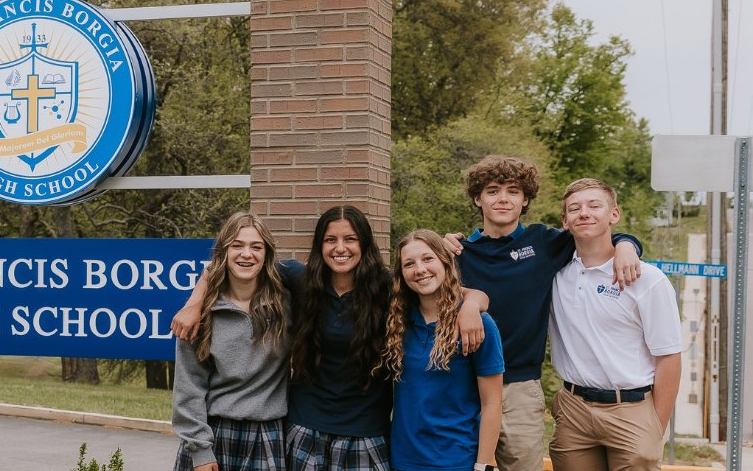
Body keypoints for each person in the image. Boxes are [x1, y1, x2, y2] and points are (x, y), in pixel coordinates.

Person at [445, 156, 643, 471]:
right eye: (493, 191)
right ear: (477, 198)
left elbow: (595, 236)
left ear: (525, 200)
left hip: (519, 389)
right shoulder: (455, 252)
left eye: (513, 191)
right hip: (461, 384)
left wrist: (627, 246)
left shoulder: (543, 242)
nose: (503, 198)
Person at [173, 206, 404, 469]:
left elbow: (430, 278)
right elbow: (228, 261)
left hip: (344, 432)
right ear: (319, 245)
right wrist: (195, 301)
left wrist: (463, 294)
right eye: (330, 240)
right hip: (286, 430)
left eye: (350, 239)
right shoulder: (302, 283)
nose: (340, 248)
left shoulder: (386, 289)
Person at [547, 179, 680, 469]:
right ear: (565, 221)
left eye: (595, 206)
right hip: (574, 409)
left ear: (614, 214)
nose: (584, 213)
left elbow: (669, 356)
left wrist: (656, 425)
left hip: (632, 409)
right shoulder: (554, 273)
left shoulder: (648, 279)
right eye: (575, 208)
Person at [173, 212, 290, 471]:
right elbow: (188, 388)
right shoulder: (198, 315)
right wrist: (200, 450)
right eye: (236, 245)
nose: (246, 254)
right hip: (213, 435)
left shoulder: (286, 307)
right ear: (224, 252)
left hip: (266, 435)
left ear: (266, 254)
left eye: (256, 246)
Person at [383, 230, 503, 471]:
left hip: (456, 461)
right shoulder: (397, 322)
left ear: (445, 261)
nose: (420, 269)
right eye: (409, 263)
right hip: (402, 460)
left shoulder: (478, 323)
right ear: (401, 274)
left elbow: (492, 403)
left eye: (428, 259)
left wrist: (483, 465)